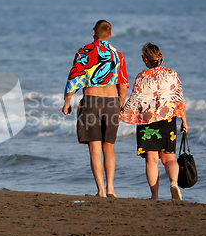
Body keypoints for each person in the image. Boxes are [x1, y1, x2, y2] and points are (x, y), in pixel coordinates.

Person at [62, 20, 128, 198]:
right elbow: (123, 85)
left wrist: (67, 102)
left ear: (94, 33)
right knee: (110, 148)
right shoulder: (117, 55)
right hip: (112, 102)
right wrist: (120, 105)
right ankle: (111, 189)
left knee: (94, 148)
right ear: (111, 34)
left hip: (92, 101)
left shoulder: (84, 52)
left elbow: (74, 78)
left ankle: (101, 191)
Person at [121, 42, 189, 201]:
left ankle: (154, 196)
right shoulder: (172, 74)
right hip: (168, 121)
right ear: (160, 58)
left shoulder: (142, 77)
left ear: (145, 60)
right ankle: (173, 183)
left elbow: (134, 100)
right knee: (169, 159)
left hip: (147, 123)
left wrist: (122, 112)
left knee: (151, 160)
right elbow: (179, 100)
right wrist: (184, 121)